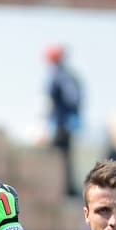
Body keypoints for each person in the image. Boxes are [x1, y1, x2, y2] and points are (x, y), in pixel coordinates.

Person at [46, 44, 83, 198]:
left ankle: (64, 190)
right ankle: (66, 189)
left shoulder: (60, 77)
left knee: (60, 157)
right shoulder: (67, 76)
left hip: (61, 124)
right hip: (64, 123)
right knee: (64, 156)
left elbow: (70, 99)